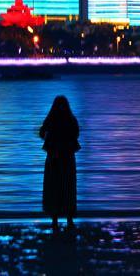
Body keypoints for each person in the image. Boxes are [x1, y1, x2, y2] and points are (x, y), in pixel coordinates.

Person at [39, 95, 80, 230]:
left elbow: (41, 133)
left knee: (54, 187)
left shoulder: (51, 119)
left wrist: (50, 136)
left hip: (54, 157)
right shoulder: (71, 119)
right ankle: (68, 219)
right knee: (67, 187)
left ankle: (55, 219)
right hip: (67, 157)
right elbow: (76, 134)